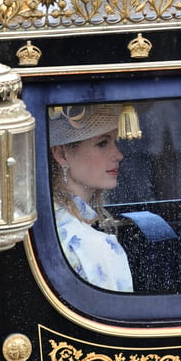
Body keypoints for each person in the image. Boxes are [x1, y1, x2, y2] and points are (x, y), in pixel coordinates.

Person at [49, 104, 134, 292]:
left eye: (114, 141)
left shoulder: (49, 220)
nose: (119, 155)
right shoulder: (95, 248)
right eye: (102, 143)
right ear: (61, 154)